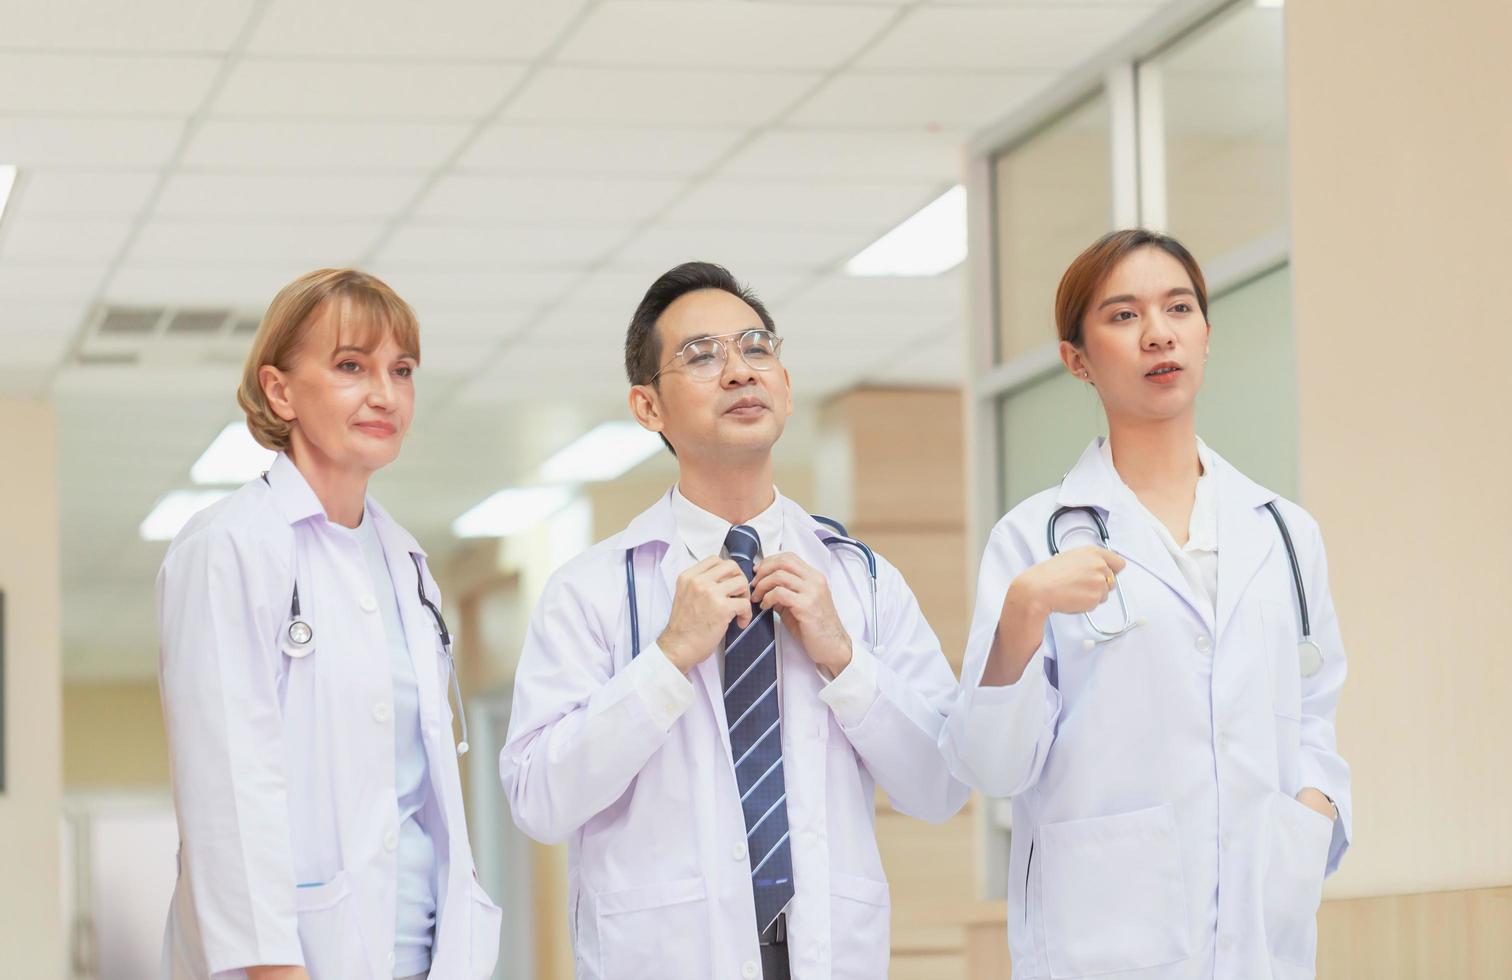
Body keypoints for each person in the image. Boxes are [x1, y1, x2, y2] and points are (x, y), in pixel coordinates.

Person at [500, 261, 969, 980]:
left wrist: (845, 657)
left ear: (784, 382)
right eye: (701, 356)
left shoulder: (860, 579)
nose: (740, 371)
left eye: (756, 348)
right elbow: (537, 799)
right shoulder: (590, 590)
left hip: (829, 956)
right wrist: (665, 660)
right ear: (648, 408)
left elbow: (942, 784)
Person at [942, 230, 1351, 979]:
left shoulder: (1285, 534)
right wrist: (1022, 616)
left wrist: (1315, 802)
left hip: (1262, 937)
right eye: (1124, 316)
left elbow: (1315, 704)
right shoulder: (1031, 540)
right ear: (1077, 360)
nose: (1159, 332)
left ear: (1204, 333)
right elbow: (994, 767)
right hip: (1102, 939)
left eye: (1179, 307)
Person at [157, 269, 501, 980]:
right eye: (351, 366)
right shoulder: (230, 546)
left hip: (419, 950)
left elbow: (418, 795)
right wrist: (274, 968)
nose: (384, 393)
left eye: (400, 370)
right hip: (293, 960)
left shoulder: (407, 564)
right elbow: (227, 786)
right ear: (280, 389)